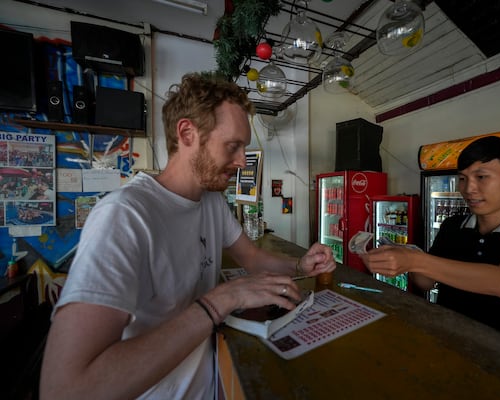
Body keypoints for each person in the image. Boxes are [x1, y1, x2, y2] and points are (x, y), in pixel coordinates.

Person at [40, 73, 336, 400]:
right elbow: (66, 389)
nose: (241, 161)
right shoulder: (124, 216)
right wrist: (219, 301)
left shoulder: (211, 201)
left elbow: (252, 257)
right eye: (233, 146)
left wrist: (301, 265)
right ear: (187, 133)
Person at [360, 136, 500, 346]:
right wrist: (401, 257)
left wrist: (414, 260)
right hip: (449, 343)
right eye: (462, 178)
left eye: (482, 177)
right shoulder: (453, 226)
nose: (469, 189)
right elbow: (426, 282)